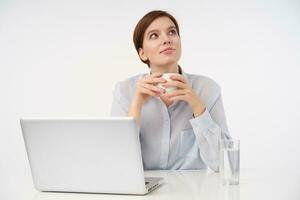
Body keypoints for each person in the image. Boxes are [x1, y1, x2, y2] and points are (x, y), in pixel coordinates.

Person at [111, 10, 230, 171]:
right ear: (142, 53)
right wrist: (136, 105)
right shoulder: (125, 91)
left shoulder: (207, 89)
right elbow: (117, 162)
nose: (166, 39)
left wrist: (198, 108)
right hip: (142, 194)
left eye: (172, 32)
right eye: (154, 35)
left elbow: (223, 165)